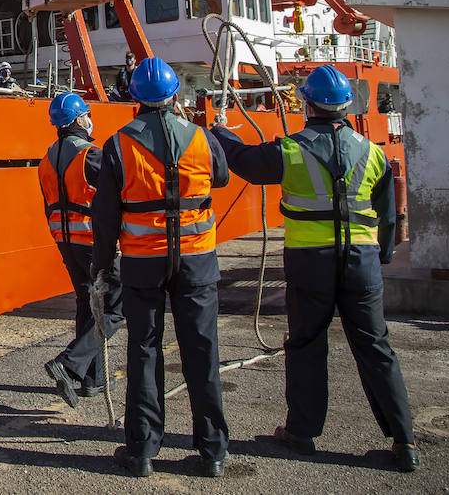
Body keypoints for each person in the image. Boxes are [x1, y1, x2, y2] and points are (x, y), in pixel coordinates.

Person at [210, 65, 418, 472]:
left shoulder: (291, 149)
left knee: (305, 344)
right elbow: (388, 217)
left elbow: (246, 162)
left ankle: (302, 433)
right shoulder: (373, 152)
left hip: (310, 262)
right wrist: (382, 259)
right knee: (376, 348)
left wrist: (220, 130)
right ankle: (404, 441)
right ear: (345, 107)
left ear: (306, 104)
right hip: (362, 264)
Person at [92, 57, 231, 478]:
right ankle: (213, 453)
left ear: (134, 97)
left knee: (144, 351)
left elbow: (105, 216)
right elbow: (221, 178)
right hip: (197, 262)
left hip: (142, 264)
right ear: (175, 95)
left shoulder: (118, 145)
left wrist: (102, 267)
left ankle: (142, 451)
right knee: (203, 352)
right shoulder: (202, 138)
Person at [39, 92, 123, 408]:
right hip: (90, 240)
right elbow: (119, 190)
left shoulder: (46, 158)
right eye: (86, 113)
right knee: (116, 305)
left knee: (87, 304)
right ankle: (70, 363)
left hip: (64, 240)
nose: (90, 118)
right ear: (78, 120)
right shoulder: (90, 155)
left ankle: (93, 380)